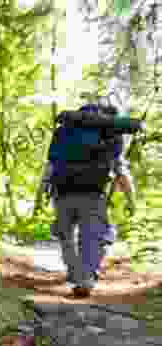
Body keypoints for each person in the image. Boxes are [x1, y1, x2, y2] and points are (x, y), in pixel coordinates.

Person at [41, 102, 136, 298]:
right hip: (93, 194)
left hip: (62, 193)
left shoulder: (64, 131)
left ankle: (74, 274)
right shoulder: (109, 133)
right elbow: (121, 171)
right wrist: (130, 199)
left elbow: (49, 167)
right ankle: (85, 280)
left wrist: (39, 195)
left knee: (65, 236)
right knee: (92, 238)